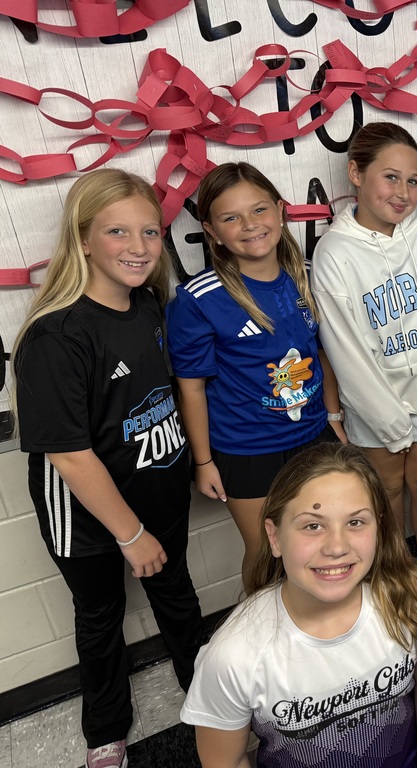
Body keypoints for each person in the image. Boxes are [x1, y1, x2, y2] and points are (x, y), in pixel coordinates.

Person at [12, 168, 203, 768]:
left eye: (150, 231)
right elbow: (70, 455)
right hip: (90, 518)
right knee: (99, 619)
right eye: (118, 231)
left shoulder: (150, 306)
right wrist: (130, 533)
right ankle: (105, 732)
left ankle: (207, 692)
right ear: (83, 239)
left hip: (158, 491)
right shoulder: (56, 336)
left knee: (177, 597)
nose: (139, 247)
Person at [181, 442, 417, 768]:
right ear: (275, 537)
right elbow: (225, 761)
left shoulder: (416, 600)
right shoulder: (233, 657)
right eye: (313, 525)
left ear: (380, 528)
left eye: (355, 522)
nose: (336, 547)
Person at [166, 163, 345, 585]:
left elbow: (322, 354)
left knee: (322, 544)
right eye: (231, 217)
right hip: (246, 450)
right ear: (211, 231)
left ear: (280, 211)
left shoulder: (305, 275)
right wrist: (203, 461)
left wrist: (333, 418)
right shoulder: (199, 299)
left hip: (313, 435)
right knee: (267, 555)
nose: (250, 225)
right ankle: (262, 625)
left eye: (259, 210)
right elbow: (191, 389)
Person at [312, 122, 417, 577]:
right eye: (391, 177)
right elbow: (345, 352)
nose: (404, 193)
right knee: (383, 494)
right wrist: (389, 422)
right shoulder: (334, 253)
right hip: (375, 403)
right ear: (356, 173)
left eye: (413, 180)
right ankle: (395, 579)